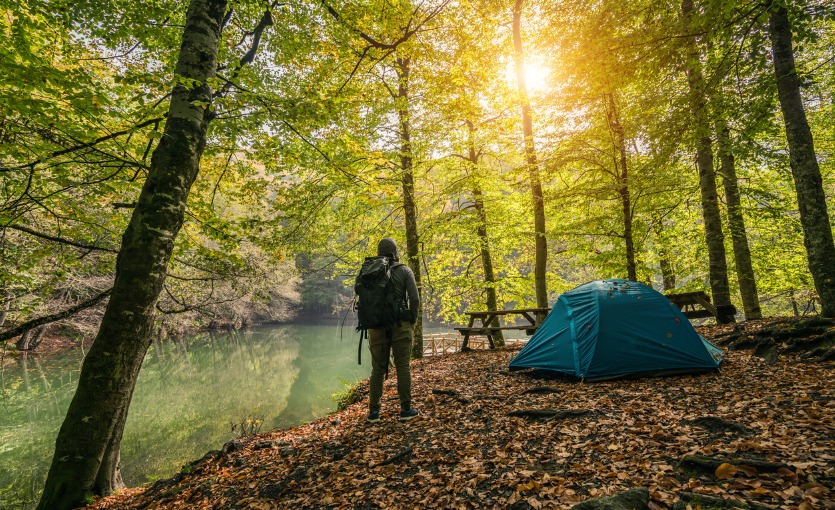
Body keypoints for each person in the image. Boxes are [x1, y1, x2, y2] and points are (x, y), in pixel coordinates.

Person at [367, 237, 420, 423]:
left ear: (379, 252)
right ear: (396, 252)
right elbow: (414, 298)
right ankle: (405, 409)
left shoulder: (370, 271)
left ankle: (374, 413)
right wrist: (412, 319)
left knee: (377, 369)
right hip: (401, 326)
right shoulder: (404, 270)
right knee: (403, 366)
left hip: (376, 327)